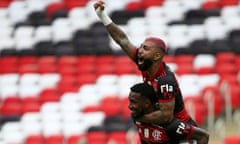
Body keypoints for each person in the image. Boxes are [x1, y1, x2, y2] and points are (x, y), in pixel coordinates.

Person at [93, 0, 209, 143]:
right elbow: (122, 40)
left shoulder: (165, 81)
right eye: (141, 47)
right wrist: (103, 16)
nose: (140, 51)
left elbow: (166, 116)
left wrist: (139, 118)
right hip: (159, 126)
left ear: (157, 56)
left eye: (146, 49)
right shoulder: (145, 63)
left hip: (177, 131)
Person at [128, 82, 209, 144]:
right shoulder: (137, 118)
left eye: (133, 102)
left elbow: (203, 136)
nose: (129, 106)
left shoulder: (170, 125)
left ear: (147, 103)